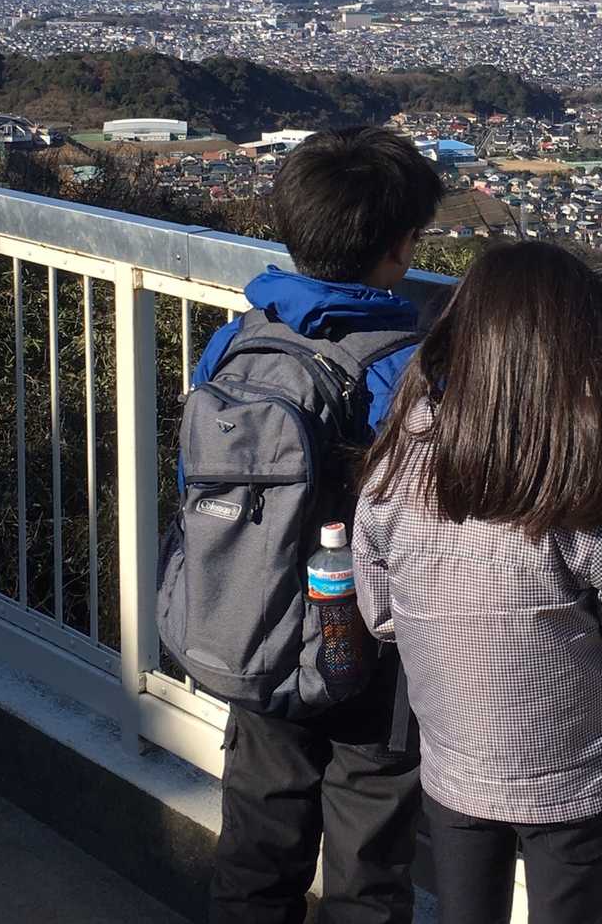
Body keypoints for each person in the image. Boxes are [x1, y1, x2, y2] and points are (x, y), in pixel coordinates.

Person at [353, 241, 602, 924]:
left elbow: (381, 612)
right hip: (574, 775)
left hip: (454, 761)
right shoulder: (586, 491)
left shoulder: (397, 468)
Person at [198, 125, 444, 924]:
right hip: (368, 652)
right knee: (366, 879)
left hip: (255, 625)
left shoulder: (235, 341)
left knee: (254, 859)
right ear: (400, 247)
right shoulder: (408, 369)